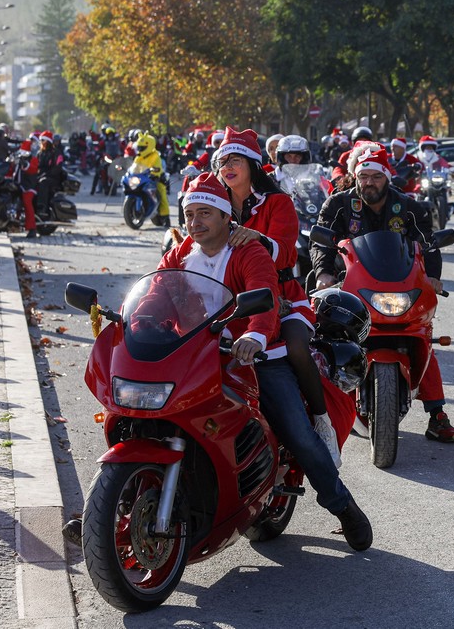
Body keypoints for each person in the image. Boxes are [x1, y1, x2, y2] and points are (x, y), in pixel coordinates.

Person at [63, 174, 372, 551]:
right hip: (195, 353)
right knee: (138, 414)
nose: (195, 222)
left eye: (205, 213)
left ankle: (342, 506)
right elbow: (157, 294)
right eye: (190, 214)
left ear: (226, 216)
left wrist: (256, 334)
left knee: (299, 435)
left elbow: (266, 297)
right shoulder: (180, 253)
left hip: (253, 355)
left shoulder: (247, 251)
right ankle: (111, 507)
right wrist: (136, 323)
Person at [310, 145, 454, 444]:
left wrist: (433, 277)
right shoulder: (339, 204)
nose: (369, 182)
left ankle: (437, 415)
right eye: (363, 176)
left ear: (386, 178)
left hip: (397, 287)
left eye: (375, 177)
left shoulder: (409, 207)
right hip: (348, 286)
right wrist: (323, 273)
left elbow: (428, 243)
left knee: (421, 334)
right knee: (319, 339)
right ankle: (316, 410)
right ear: (356, 177)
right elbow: (321, 242)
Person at [212, 127, 344, 464]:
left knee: (297, 344)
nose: (227, 166)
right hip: (226, 301)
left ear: (254, 165)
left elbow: (286, 253)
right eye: (222, 160)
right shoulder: (213, 203)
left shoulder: (279, 202)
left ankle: (321, 419)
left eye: (235, 160)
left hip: (282, 295)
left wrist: (254, 236)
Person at [133, 132, 169, 227]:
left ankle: (165, 216)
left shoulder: (155, 155)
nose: (140, 149)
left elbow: (157, 168)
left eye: (142, 147)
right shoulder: (138, 157)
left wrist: (155, 173)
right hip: (141, 179)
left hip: (154, 179)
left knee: (161, 194)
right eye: (139, 147)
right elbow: (134, 167)